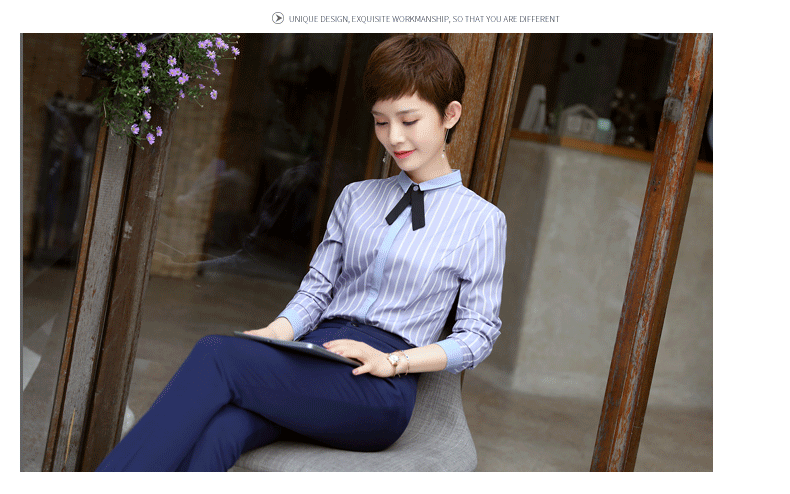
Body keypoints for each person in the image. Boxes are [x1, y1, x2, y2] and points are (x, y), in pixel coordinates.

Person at [96, 34, 507, 472]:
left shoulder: (481, 221)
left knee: (215, 354)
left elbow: (478, 336)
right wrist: (277, 332)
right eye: (381, 122)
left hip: (377, 386)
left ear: (450, 115)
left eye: (409, 120)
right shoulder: (356, 197)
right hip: (313, 357)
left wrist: (394, 362)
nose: (394, 137)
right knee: (225, 429)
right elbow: (317, 290)